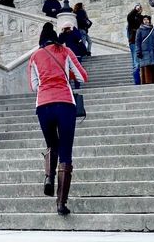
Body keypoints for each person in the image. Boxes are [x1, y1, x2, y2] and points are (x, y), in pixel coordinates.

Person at [27, 22, 88, 216]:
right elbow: (82, 77)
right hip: (64, 103)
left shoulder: (34, 56)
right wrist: (67, 73)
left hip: (43, 105)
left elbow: (34, 86)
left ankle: (48, 177)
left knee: (51, 144)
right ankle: (61, 204)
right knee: (66, 152)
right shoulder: (66, 51)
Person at [135, 15, 154, 84]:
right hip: (145, 53)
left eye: (147, 19)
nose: (146, 21)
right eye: (144, 19)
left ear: (149, 20)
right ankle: (147, 82)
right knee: (146, 67)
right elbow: (137, 42)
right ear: (142, 21)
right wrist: (138, 51)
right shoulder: (139, 30)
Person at [58, 21, 87, 87]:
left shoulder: (72, 33)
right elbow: (60, 41)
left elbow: (59, 42)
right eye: (66, 29)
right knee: (74, 70)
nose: (67, 30)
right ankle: (76, 85)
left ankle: (75, 85)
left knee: (72, 70)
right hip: (74, 54)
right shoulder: (67, 34)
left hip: (73, 54)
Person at [126, 3, 143, 85]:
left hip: (141, 41)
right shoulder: (131, 18)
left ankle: (142, 78)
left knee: (139, 61)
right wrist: (135, 9)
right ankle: (137, 80)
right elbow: (129, 16)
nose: (139, 9)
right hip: (133, 41)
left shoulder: (141, 18)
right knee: (136, 62)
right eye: (137, 8)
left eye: (140, 8)